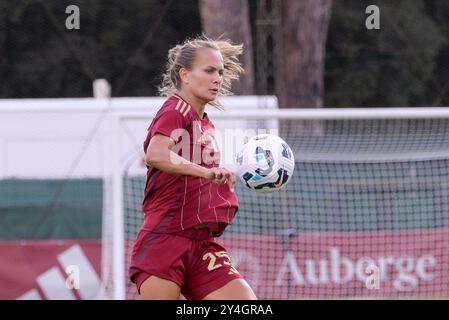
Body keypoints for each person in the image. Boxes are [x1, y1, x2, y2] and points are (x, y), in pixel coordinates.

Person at [129, 36, 257, 300]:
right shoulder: (176, 110)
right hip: (165, 241)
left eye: (220, 72)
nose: (218, 78)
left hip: (200, 245)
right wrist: (207, 172)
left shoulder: (205, 123)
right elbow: (154, 154)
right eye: (209, 70)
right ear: (185, 75)